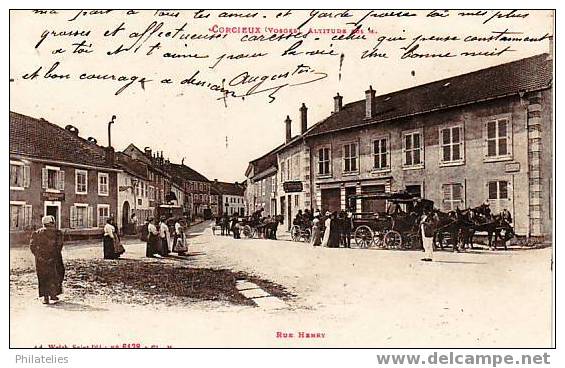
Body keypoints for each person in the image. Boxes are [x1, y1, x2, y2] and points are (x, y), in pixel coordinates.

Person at [30, 215, 64, 304]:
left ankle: (46, 297)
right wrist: (53, 257)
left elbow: (32, 246)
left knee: (43, 277)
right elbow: (59, 246)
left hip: (41, 260)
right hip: (55, 258)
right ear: (51, 223)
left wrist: (39, 257)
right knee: (56, 275)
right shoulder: (58, 233)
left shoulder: (36, 233)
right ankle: (53, 294)